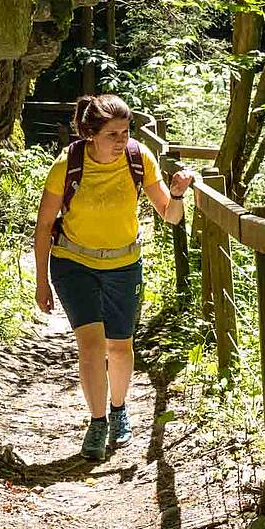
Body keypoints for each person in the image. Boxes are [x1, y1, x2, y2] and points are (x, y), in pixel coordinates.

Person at [35, 94, 196, 460]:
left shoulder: (140, 158)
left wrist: (177, 193)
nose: (121, 140)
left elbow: (170, 216)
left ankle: (120, 411)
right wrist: (42, 282)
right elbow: (44, 225)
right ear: (91, 133)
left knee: (120, 346)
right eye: (112, 134)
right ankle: (97, 422)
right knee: (91, 345)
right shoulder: (67, 166)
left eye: (125, 131)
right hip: (73, 263)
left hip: (124, 264)